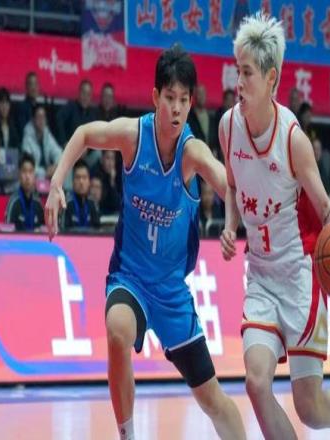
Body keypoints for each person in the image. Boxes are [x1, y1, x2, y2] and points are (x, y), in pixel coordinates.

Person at [45, 44, 246, 440]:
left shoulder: (192, 152)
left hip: (171, 294)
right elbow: (84, 134)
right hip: (131, 279)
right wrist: (55, 185)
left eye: (184, 100)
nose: (176, 108)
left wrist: (231, 225)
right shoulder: (133, 136)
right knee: (117, 329)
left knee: (212, 399)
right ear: (155, 97)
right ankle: (128, 434)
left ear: (191, 103)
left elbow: (230, 186)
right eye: (169, 98)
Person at [219, 13, 330, 440]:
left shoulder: (292, 139)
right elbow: (232, 184)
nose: (238, 81)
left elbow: (326, 208)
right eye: (237, 70)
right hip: (260, 276)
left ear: (271, 78)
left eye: (247, 72)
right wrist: (230, 225)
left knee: (309, 408)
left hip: (299, 277)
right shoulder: (227, 127)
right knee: (256, 383)